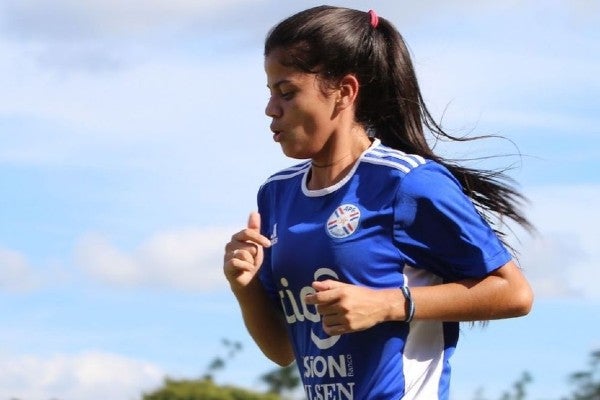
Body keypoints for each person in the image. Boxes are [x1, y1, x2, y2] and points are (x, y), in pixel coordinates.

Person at [223, 5, 533, 400]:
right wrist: (245, 287)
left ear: (344, 92)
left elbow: (514, 293)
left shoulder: (408, 183)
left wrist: (389, 304)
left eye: (287, 92)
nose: (271, 109)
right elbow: (282, 350)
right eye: (270, 93)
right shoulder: (276, 194)